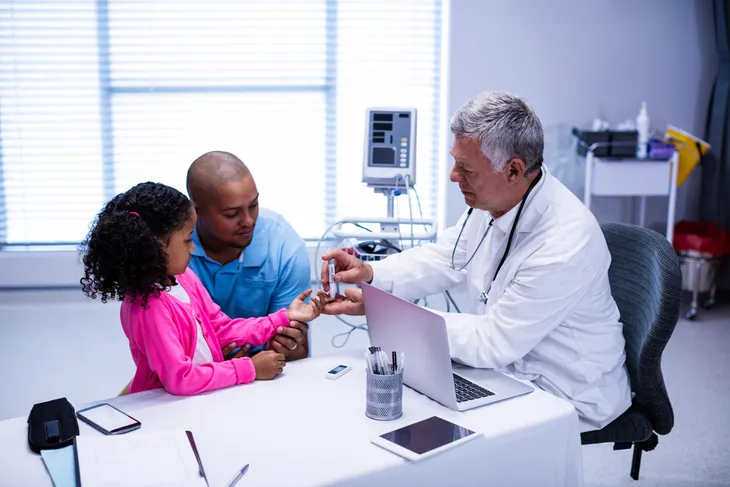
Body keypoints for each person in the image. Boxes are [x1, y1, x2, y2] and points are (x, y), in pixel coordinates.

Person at [321, 91, 631, 432]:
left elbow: (492, 341)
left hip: (565, 388)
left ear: (513, 169)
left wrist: (384, 310)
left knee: (435, 433)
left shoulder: (563, 242)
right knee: (405, 400)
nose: (454, 176)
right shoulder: (495, 201)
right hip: (506, 365)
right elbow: (445, 258)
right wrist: (371, 273)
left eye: (466, 167)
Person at [80, 182, 325, 396]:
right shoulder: (148, 308)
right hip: (163, 409)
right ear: (155, 248)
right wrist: (250, 369)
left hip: (201, 398)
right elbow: (181, 379)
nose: (193, 247)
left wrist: (283, 318)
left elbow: (220, 327)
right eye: (187, 240)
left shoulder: (183, 277)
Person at [186, 151, 312, 360]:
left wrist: (291, 347)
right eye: (232, 214)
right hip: (196, 379)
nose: (248, 221)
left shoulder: (286, 250)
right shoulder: (172, 252)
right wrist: (222, 367)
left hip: (269, 377)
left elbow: (296, 352)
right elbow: (174, 349)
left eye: (253, 205)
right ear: (197, 212)